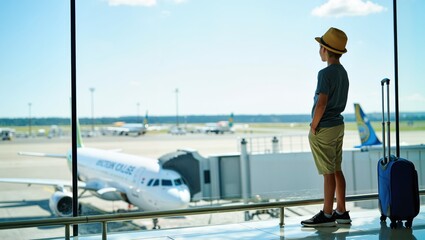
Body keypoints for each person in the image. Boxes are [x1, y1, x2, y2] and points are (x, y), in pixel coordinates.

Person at [301, 27, 352, 227]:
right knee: (337, 169)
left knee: (328, 172)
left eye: (319, 47)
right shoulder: (343, 73)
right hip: (338, 125)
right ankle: (341, 211)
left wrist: (314, 126)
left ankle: (327, 214)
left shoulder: (325, 73)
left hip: (325, 127)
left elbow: (321, 103)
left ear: (324, 49)